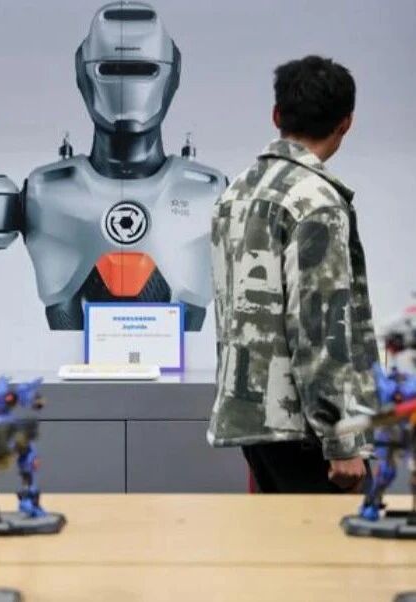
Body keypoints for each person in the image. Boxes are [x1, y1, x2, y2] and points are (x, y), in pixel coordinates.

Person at [207, 55, 379, 493]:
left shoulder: (237, 191)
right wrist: (342, 439)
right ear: (346, 123)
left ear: (277, 114)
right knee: (336, 539)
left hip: (252, 419)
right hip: (305, 429)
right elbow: (319, 324)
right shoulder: (316, 200)